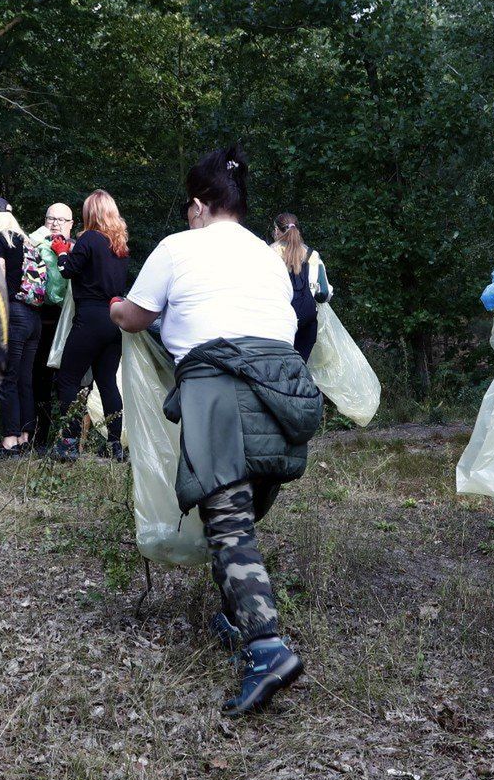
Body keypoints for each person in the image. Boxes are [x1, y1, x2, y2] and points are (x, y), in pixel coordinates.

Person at [111, 146, 322, 716]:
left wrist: (113, 308)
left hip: (220, 386)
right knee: (244, 515)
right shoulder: (269, 255)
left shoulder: (180, 247)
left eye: (189, 207)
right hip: (283, 390)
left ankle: (266, 646)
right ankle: (235, 616)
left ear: (200, 206)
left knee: (227, 521)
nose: (187, 216)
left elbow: (135, 316)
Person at [52, 189, 130, 461]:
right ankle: (115, 446)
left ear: (90, 214)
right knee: (107, 382)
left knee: (69, 379)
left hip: (90, 317)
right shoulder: (119, 246)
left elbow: (67, 271)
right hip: (114, 319)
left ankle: (69, 443)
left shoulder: (90, 239)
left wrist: (62, 251)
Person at [0, 197, 37, 457]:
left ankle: (9, 441)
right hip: (33, 318)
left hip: (13, 315)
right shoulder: (27, 241)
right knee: (25, 380)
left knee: (7, 379)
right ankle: (25, 437)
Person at [27, 203, 74, 450]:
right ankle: (38, 436)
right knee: (39, 377)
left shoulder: (77, 248)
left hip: (68, 321)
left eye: (61, 220)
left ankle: (68, 438)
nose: (55, 223)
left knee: (68, 380)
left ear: (71, 224)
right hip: (39, 317)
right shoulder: (33, 242)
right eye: (51, 218)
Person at [271, 213, 333, 360]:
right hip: (306, 322)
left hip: (276, 321)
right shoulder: (312, 255)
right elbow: (324, 293)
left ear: (276, 230)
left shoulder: (268, 253)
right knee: (298, 368)